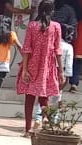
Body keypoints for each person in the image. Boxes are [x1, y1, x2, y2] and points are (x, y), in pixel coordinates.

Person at [17, 0, 63, 136]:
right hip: (47, 66)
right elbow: (58, 50)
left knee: (29, 98)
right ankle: (46, 123)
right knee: (44, 97)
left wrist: (25, 69)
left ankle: (27, 129)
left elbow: (27, 49)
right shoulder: (56, 27)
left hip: (32, 64)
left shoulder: (32, 26)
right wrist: (61, 70)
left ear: (39, 10)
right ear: (52, 11)